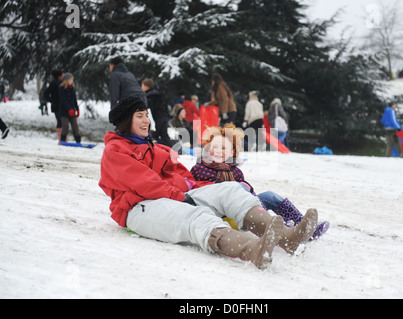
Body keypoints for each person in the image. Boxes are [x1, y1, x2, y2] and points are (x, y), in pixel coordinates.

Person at [99, 96, 319, 269]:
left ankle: (287, 239)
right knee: (196, 217)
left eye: (147, 115)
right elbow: (145, 183)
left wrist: (206, 191)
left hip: (174, 195)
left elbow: (186, 178)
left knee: (231, 190)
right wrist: (183, 197)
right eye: (140, 116)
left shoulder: (155, 148)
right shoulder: (115, 151)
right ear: (126, 121)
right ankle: (252, 249)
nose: (146, 120)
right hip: (138, 207)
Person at [190, 123, 329, 240]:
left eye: (223, 148)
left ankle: (303, 226)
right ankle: (285, 232)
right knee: (235, 187)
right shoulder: (200, 168)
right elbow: (196, 190)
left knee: (270, 196)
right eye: (215, 147)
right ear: (208, 148)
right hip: (222, 214)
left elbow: (248, 192)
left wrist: (250, 194)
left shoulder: (235, 171)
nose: (218, 151)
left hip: (245, 207)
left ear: (232, 152)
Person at [109, 56, 155, 130]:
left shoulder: (115, 74)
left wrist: (113, 113)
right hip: (142, 97)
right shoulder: (129, 73)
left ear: (112, 65)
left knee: (127, 125)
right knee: (141, 122)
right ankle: (146, 137)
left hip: (131, 100)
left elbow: (114, 94)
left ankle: (125, 139)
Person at [141, 78, 170, 146]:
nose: (141, 88)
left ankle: (156, 152)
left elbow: (149, 110)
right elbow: (165, 105)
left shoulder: (148, 96)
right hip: (164, 116)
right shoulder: (159, 94)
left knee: (154, 136)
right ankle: (172, 150)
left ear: (146, 86)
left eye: (142, 86)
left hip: (156, 118)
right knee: (164, 135)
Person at [58, 73, 81, 144]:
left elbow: (74, 100)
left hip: (72, 111)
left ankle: (78, 141)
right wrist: (69, 109)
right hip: (64, 111)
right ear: (66, 80)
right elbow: (63, 100)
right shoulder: (62, 88)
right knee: (65, 126)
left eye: (72, 80)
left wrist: (77, 109)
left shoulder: (72, 88)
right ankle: (62, 140)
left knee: (75, 126)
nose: (71, 81)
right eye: (70, 79)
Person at [44, 69, 64, 143]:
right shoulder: (53, 84)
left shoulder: (63, 83)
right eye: (62, 75)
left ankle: (64, 138)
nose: (63, 76)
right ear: (58, 77)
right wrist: (52, 100)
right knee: (59, 121)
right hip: (56, 106)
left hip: (62, 106)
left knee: (63, 122)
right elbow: (46, 93)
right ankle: (60, 139)